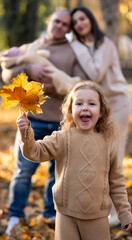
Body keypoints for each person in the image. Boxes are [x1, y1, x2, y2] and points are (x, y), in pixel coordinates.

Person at [1, 10, 87, 235]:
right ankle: (15, 216)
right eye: (56, 21)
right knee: (23, 171)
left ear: (68, 29)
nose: (59, 25)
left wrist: (49, 87)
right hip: (32, 121)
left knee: (55, 173)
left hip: (61, 123)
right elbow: (7, 73)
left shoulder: (73, 53)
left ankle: (50, 213)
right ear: (49, 21)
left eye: (64, 24)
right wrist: (29, 69)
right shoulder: (31, 47)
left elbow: (79, 85)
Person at [17, 81, 132, 240]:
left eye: (91, 103)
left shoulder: (109, 144)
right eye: (79, 103)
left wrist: (124, 213)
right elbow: (35, 152)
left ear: (101, 112)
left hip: (98, 217)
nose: (85, 107)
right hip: (66, 216)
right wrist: (26, 133)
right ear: (70, 111)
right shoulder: (62, 138)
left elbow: (117, 182)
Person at [70, 6, 132, 226]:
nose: (79, 23)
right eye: (75, 22)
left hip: (117, 102)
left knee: (113, 155)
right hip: (100, 106)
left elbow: (96, 73)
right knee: (100, 156)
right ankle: (105, 209)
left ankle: (117, 213)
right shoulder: (84, 47)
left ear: (90, 20)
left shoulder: (104, 43)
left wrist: (76, 45)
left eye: (82, 18)